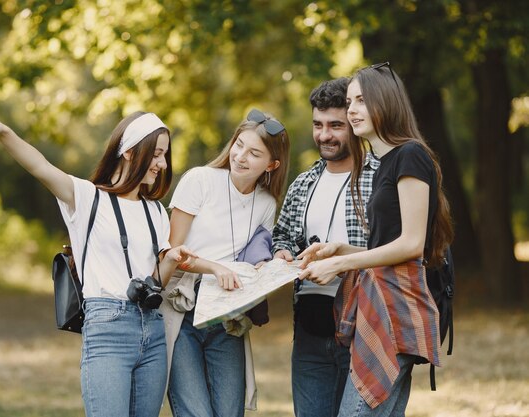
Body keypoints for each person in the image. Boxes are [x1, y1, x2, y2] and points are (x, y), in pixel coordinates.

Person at [0, 102, 197, 417]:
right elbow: (40, 166)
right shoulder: (87, 198)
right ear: (129, 151)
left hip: (152, 331)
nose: (162, 164)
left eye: (164, 156)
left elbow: (156, 282)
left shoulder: (154, 210)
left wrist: (171, 261)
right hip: (108, 329)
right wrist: (3, 133)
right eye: (156, 154)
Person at [298, 62, 454, 416]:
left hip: (399, 309)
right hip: (381, 305)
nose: (352, 110)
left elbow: (412, 245)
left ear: (385, 101)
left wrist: (341, 263)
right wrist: (340, 249)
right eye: (350, 102)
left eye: (360, 101)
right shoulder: (385, 162)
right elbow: (389, 247)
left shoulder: (410, 155)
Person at [160, 109, 291, 417]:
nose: (241, 156)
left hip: (226, 317)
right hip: (183, 310)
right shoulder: (200, 180)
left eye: (254, 153)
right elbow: (171, 252)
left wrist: (274, 262)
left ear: (271, 165)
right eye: (239, 145)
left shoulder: (266, 203)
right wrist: (215, 267)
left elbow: (254, 256)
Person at [272, 78, 379, 417]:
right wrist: (282, 253)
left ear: (355, 123)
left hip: (366, 324)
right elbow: (283, 235)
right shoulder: (303, 183)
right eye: (318, 125)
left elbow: (394, 249)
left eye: (336, 125)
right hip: (309, 329)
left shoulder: (382, 179)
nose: (324, 135)